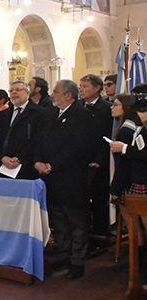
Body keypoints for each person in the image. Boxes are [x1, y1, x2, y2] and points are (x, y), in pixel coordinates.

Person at [35, 80, 93, 279]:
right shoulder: (51, 114)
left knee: (76, 220)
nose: (52, 94)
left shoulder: (82, 115)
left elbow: (79, 147)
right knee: (58, 218)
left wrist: (53, 165)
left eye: (56, 91)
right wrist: (39, 161)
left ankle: (78, 260)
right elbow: (41, 140)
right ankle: (64, 253)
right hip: (51, 177)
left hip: (71, 177)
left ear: (68, 95)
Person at [109, 85, 147, 281]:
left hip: (138, 182)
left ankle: (140, 268)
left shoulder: (129, 129)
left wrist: (124, 148)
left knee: (138, 228)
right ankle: (138, 267)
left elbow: (132, 160)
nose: (141, 113)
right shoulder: (138, 127)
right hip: (136, 181)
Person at [79, 74, 113, 238]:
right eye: (80, 86)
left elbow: (108, 136)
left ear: (97, 88)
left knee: (99, 199)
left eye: (85, 86)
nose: (81, 90)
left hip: (99, 161)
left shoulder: (107, 109)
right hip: (80, 160)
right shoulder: (78, 107)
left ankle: (100, 233)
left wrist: (99, 159)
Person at [0, 80, 49, 179]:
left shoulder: (40, 114)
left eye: (18, 90)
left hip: (27, 166)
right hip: (3, 165)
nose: (14, 92)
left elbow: (38, 140)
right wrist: (2, 157)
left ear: (28, 93)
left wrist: (20, 158)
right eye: (11, 91)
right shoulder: (2, 115)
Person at [109, 94, 141, 207]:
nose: (112, 107)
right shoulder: (134, 126)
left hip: (127, 183)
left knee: (132, 222)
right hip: (131, 180)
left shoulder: (125, 131)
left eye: (116, 105)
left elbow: (122, 163)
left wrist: (115, 189)